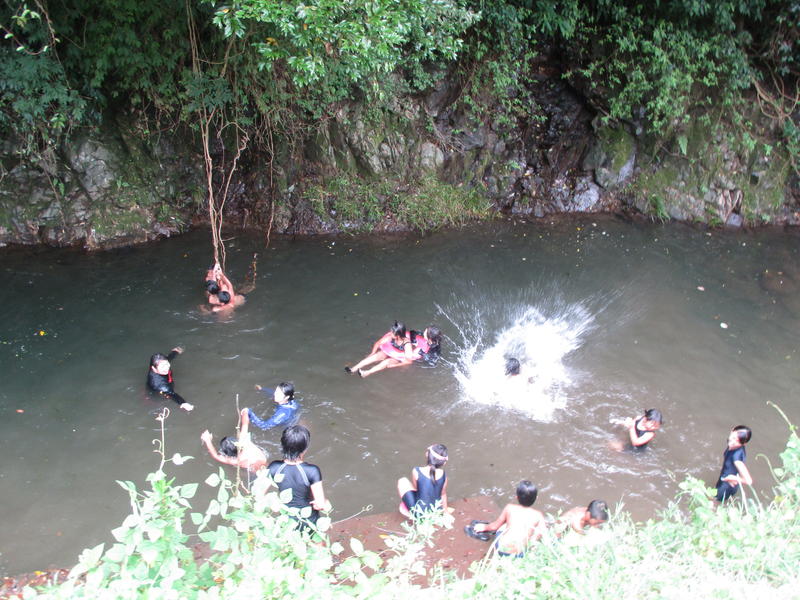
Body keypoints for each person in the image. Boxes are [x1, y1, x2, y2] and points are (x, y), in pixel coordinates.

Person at [267, 425, 331, 528]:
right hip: (309, 522)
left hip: (286, 523)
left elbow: (259, 495)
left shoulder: (274, 467)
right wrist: (325, 503)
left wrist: (273, 504)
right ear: (305, 448)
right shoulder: (312, 471)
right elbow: (320, 504)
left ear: (283, 445)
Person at [471, 480, 547, 557]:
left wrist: (484, 527)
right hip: (519, 554)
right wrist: (532, 542)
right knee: (534, 530)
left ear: (517, 497)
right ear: (536, 498)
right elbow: (543, 533)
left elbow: (494, 526)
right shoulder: (538, 515)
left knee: (503, 525)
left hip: (501, 549)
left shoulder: (509, 508)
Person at [200, 408, 267, 472]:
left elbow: (216, 456)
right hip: (264, 461)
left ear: (229, 454)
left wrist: (207, 441)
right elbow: (245, 424)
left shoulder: (236, 461)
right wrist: (245, 412)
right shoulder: (244, 440)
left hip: (257, 470)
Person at [397, 444, 451, 518]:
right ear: (444, 462)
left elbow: (417, 490)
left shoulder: (416, 471)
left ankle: (411, 513)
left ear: (427, 454)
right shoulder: (443, 475)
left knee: (402, 481)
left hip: (419, 513)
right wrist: (446, 512)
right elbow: (443, 494)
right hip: (436, 510)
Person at [715, 425, 753, 503]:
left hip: (727, 486)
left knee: (713, 502)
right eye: (733, 437)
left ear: (744, 443)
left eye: (737, 441)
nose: (732, 442)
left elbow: (749, 481)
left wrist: (733, 478)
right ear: (732, 431)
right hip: (725, 479)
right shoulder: (732, 444)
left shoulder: (736, 458)